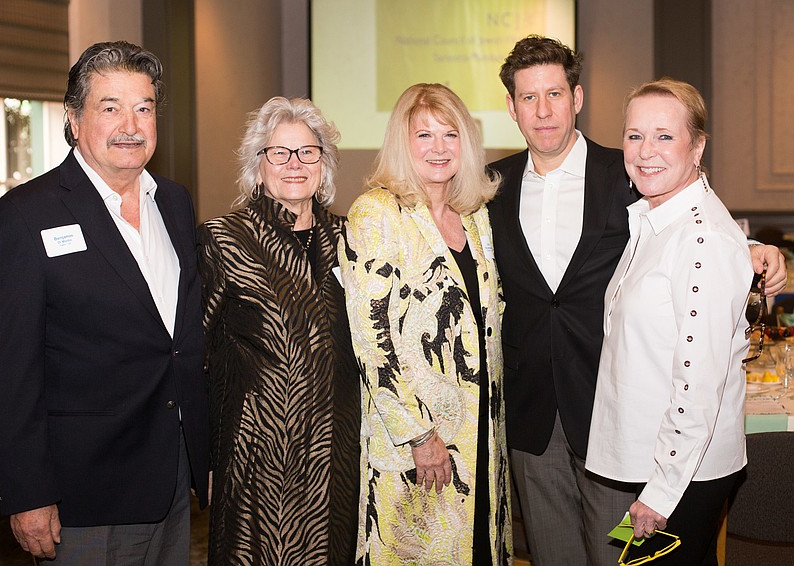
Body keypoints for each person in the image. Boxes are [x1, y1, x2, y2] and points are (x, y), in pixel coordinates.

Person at [486, 35, 786, 566]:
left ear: (577, 98)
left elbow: (694, 223)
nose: (543, 109)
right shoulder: (491, 187)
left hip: (618, 418)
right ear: (510, 107)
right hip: (533, 417)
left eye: (554, 93)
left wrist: (751, 247)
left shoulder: (627, 170)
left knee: (623, 561)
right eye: (528, 97)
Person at [0, 41, 208, 564]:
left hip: (170, 474)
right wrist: (29, 493)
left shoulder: (173, 201)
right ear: (75, 119)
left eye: (144, 107)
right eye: (110, 107)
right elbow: (8, 369)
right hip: (83, 492)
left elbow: (178, 339)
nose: (131, 124)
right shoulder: (24, 215)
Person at [340, 83, 513, 565]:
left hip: (480, 433)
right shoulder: (375, 213)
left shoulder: (474, 215)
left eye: (450, 134)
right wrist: (419, 435)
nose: (439, 148)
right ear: (402, 142)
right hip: (418, 443)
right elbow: (372, 341)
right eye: (424, 135)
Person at [585, 78, 751, 565]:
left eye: (664, 136)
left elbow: (698, 384)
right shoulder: (656, 222)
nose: (645, 151)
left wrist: (660, 492)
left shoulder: (702, 240)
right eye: (634, 135)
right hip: (658, 463)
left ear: (697, 147)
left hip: (683, 475)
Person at [198, 96, 361, 565]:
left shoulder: (350, 238)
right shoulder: (223, 239)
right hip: (257, 456)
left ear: (325, 164)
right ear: (258, 163)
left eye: (308, 151)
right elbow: (199, 355)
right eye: (279, 152)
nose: (294, 164)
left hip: (336, 452)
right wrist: (204, 456)